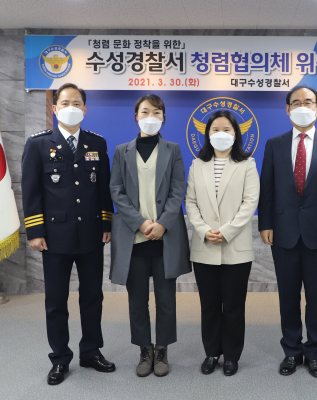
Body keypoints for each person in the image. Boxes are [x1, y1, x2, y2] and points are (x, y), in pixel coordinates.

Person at [21, 83, 116, 386]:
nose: (70, 107)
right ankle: (60, 358)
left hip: (91, 234)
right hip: (55, 236)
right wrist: (35, 231)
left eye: (76, 103)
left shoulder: (96, 143)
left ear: (85, 109)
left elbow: (103, 188)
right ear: (55, 108)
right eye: (65, 103)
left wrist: (106, 223)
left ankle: (91, 351)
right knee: (56, 301)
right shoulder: (38, 144)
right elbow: (31, 191)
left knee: (93, 297)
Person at [258, 86, 317, 378]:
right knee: (288, 296)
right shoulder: (274, 144)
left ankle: (314, 353)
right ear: (287, 109)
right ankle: (291, 351)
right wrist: (265, 223)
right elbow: (267, 188)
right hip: (283, 231)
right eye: (296, 103)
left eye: (308, 102)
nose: (302, 107)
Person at [109, 94, 191, 378]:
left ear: (163, 117)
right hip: (134, 239)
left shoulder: (173, 149)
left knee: (166, 301)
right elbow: (116, 191)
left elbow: (178, 190)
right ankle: (145, 350)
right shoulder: (121, 151)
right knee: (137, 301)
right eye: (145, 112)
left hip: (165, 238)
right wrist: (141, 222)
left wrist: (163, 223)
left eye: (157, 112)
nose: (151, 117)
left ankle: (162, 350)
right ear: (136, 116)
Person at [185, 110, 260, 377]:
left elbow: (250, 202)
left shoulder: (247, 164)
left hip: (235, 247)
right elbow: (190, 202)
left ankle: (231, 355)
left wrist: (226, 231)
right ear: (207, 134)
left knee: (234, 305)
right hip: (204, 246)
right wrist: (205, 230)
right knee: (209, 304)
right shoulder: (197, 165)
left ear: (236, 134)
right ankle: (211, 353)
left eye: (227, 129)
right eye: (215, 129)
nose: (221, 134)